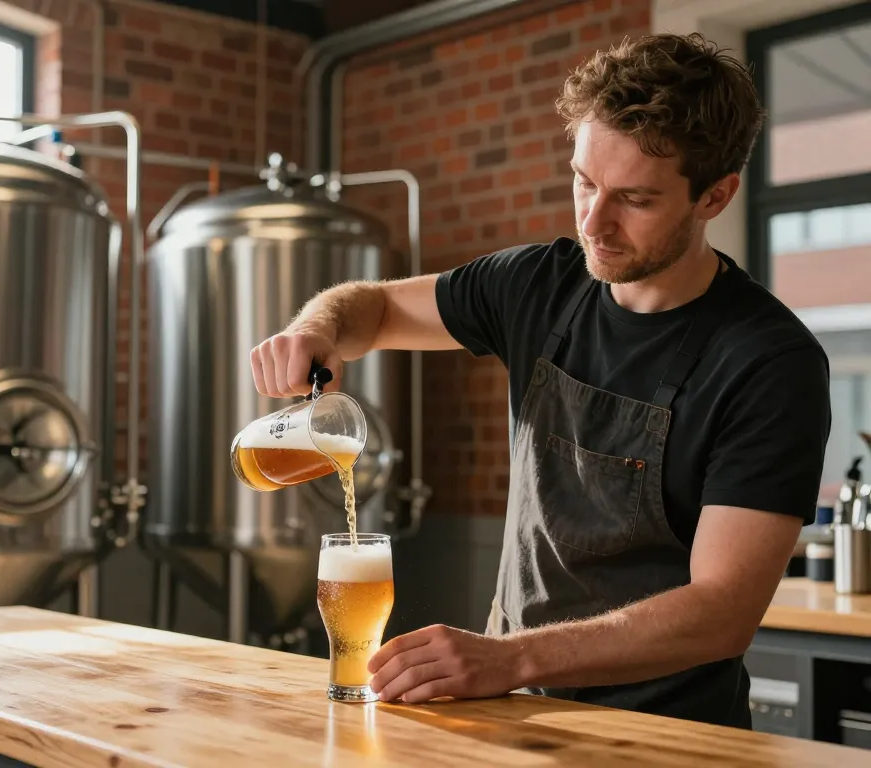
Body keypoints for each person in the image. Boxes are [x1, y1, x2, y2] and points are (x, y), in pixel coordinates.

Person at [249, 32, 832, 728]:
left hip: (669, 734)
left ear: (715, 196)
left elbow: (720, 613)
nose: (594, 221)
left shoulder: (768, 362)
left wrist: (510, 658)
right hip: (512, 716)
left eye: (635, 199)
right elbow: (371, 308)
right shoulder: (538, 285)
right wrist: (317, 328)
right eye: (584, 180)